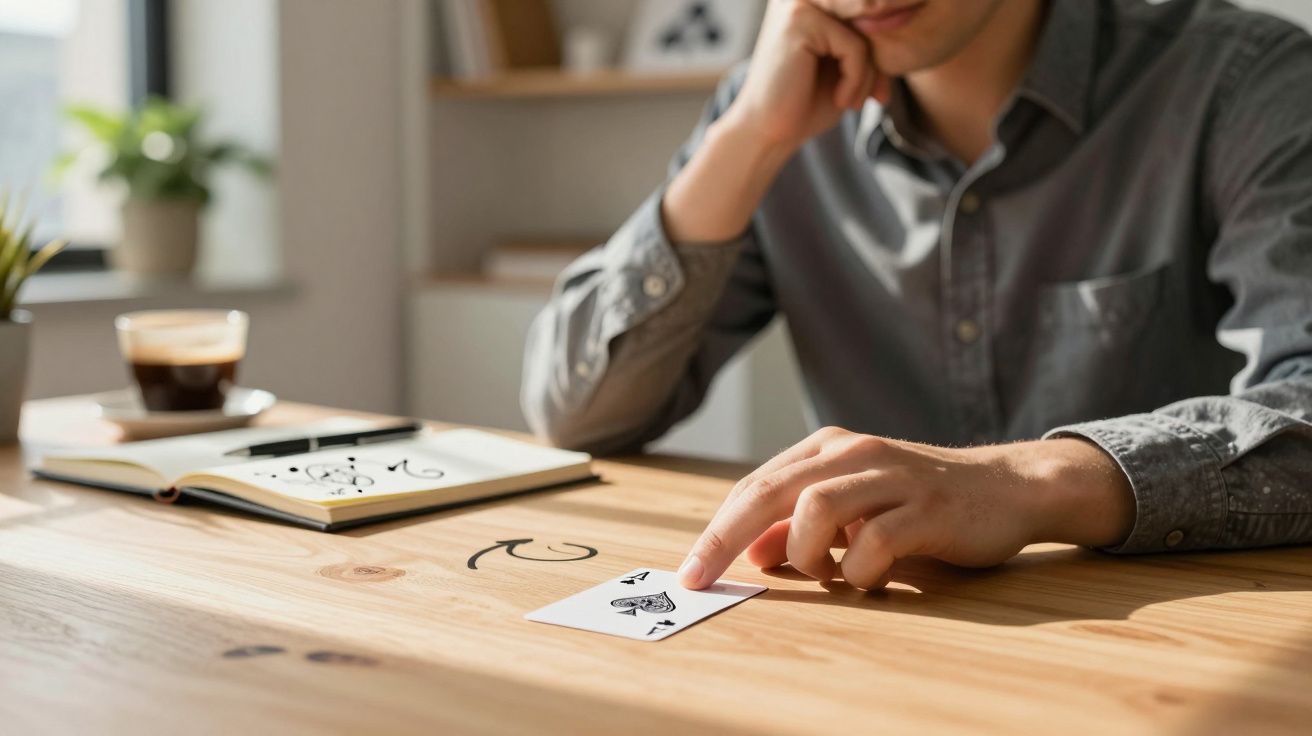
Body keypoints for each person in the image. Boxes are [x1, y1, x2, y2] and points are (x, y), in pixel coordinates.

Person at [520, 0, 1312, 592]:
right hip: (873, 647)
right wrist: (749, 138)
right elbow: (579, 414)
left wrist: (1028, 485)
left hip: (1176, 646)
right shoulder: (773, 110)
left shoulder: (1244, 80)